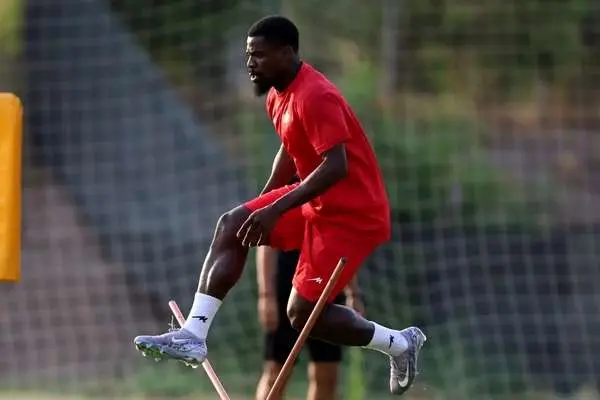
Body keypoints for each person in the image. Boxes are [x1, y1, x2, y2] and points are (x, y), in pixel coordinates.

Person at [133, 15, 427, 396]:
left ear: (287, 53)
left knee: (301, 314)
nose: (250, 63)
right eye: (248, 55)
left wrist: (275, 209)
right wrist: (263, 202)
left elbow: (336, 166)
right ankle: (194, 334)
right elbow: (290, 150)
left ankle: (400, 343)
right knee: (233, 223)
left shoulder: (316, 95)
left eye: (258, 55)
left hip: (352, 215)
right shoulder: (276, 95)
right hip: (317, 204)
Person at [255, 243, 364, 400]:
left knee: (327, 373)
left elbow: (342, 244)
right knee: (276, 372)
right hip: (286, 287)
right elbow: (267, 244)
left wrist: (353, 293)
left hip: (327, 287)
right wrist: (266, 295)